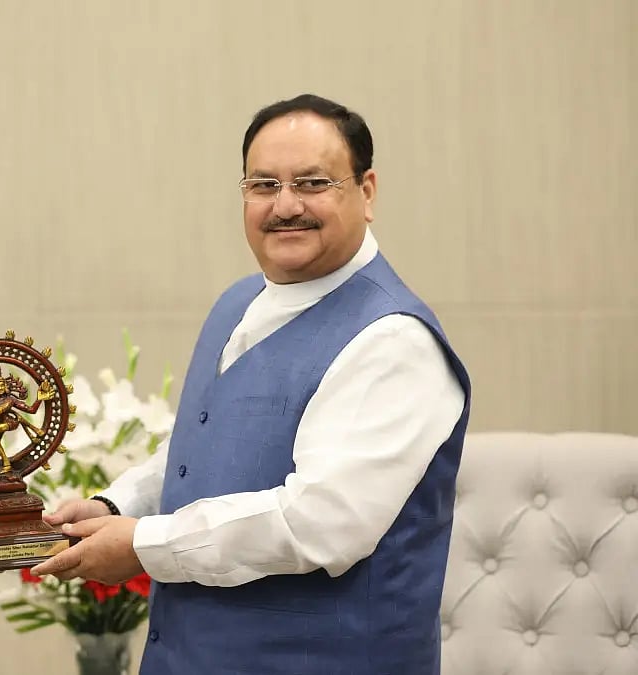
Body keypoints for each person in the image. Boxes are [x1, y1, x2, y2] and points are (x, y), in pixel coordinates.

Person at [32, 94, 471, 674]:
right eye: (263, 185)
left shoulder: (394, 341)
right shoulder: (237, 302)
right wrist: (114, 503)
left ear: (366, 192)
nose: (285, 206)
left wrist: (142, 544)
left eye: (312, 183)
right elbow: (205, 448)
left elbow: (318, 527)